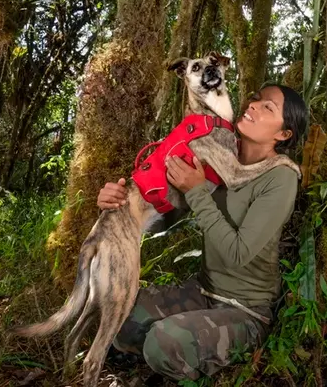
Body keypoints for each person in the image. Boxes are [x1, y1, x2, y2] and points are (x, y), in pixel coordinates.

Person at [95, 84, 309, 382]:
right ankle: (150, 350)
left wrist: (196, 191)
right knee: (120, 315)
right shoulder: (218, 152)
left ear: (284, 134)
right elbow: (167, 216)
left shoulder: (281, 176)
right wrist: (120, 204)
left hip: (245, 310)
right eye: (257, 100)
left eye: (268, 108)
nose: (254, 106)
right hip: (202, 290)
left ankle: (180, 358)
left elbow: (237, 254)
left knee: (163, 342)